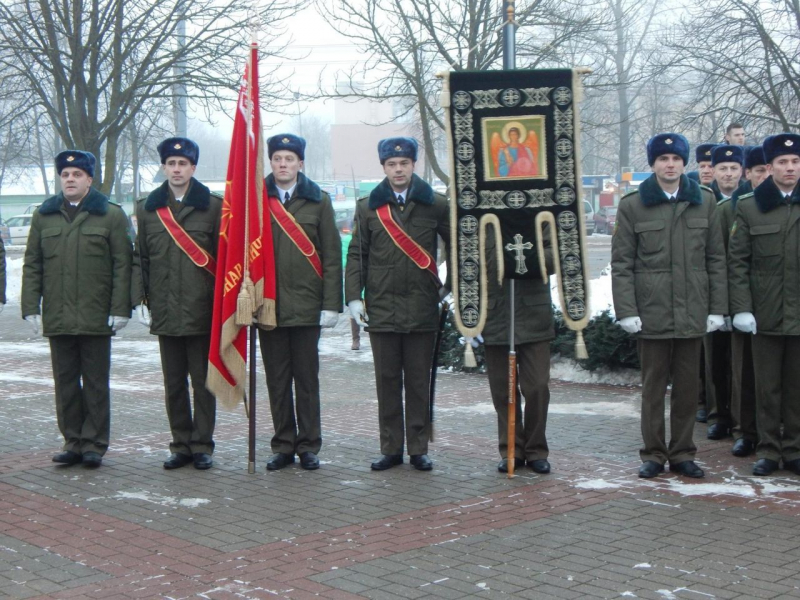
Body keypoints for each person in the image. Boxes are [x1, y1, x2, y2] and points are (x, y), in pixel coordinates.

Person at [612, 133, 727, 479]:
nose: (670, 165)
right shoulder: (633, 204)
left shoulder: (704, 201)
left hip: (693, 312)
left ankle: (682, 453)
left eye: (676, 159)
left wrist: (716, 308)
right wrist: (627, 311)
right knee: (652, 389)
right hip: (652, 312)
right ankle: (652, 453)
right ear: (653, 164)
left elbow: (716, 258)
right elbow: (622, 263)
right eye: (663, 159)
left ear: (684, 163)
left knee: (689, 390)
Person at [21, 150, 132, 468]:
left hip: (97, 315)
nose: (70, 179)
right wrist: (31, 305)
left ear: (89, 179)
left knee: (96, 383)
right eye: (65, 175)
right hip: (59, 315)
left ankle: (95, 442)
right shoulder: (45, 215)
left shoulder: (110, 215)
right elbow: (33, 263)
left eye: (77, 175)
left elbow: (123, 264)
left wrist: (121, 308)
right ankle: (72, 440)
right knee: (66, 382)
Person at [346, 137, 451, 471]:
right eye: (391, 164)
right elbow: (357, 255)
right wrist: (353, 297)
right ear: (383, 167)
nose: (398, 169)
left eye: (403, 163)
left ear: (413, 164)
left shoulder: (435, 204)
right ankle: (391, 447)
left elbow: (460, 246)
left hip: (422, 305)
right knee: (387, 381)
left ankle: (418, 448)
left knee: (419, 382)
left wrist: (450, 289)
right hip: (382, 307)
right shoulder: (367, 207)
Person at [131, 137, 221, 470]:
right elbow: (140, 258)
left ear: (193, 168)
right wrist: (140, 299)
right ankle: (180, 444)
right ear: (164, 167)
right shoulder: (148, 207)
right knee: (173, 384)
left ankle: (202, 445)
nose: (177, 169)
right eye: (171, 163)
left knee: (203, 382)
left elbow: (224, 261)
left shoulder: (213, 206)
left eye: (183, 164)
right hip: (166, 309)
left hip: (202, 309)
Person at [259, 134, 342, 471]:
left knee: (306, 381)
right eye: (277, 158)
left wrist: (331, 303)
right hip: (268, 307)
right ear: (271, 162)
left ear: (300, 164)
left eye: (289, 159)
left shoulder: (318, 201)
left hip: (308, 307)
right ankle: (283, 444)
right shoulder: (255, 199)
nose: (283, 164)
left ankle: (308, 445)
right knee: (277, 381)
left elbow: (333, 256)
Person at [728, 133, 800, 476]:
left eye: (795, 161)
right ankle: (769, 450)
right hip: (765, 314)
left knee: (797, 388)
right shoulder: (750, 206)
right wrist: (742, 308)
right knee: (767, 388)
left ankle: (795, 449)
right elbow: (737, 262)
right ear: (769, 167)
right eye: (783, 162)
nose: (790, 167)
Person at [482, 225, 554, 474]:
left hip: (533, 314)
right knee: (503, 390)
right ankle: (511, 449)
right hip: (494, 315)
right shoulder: (482, 220)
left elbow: (556, 256)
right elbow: (465, 266)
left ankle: (536, 450)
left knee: (536, 387)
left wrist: (522, 258)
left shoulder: (539, 216)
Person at [720, 145, 767, 458]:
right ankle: (745, 431)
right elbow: (724, 260)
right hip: (742, 302)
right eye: (758, 170)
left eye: (768, 169)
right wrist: (728, 306)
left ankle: (774, 432)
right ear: (747, 174)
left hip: (776, 305)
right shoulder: (730, 208)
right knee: (744, 372)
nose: (764, 175)